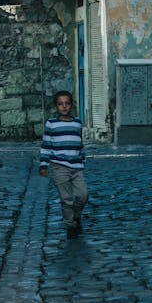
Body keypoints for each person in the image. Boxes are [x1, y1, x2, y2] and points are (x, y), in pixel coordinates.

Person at [39, 90, 88, 239]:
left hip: (77, 167)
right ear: (56, 106)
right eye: (61, 104)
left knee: (83, 195)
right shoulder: (51, 124)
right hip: (59, 167)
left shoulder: (77, 123)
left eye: (67, 103)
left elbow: (79, 143)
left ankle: (75, 216)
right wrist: (43, 164)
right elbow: (46, 145)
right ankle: (70, 226)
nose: (64, 107)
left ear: (71, 105)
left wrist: (82, 159)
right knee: (66, 199)